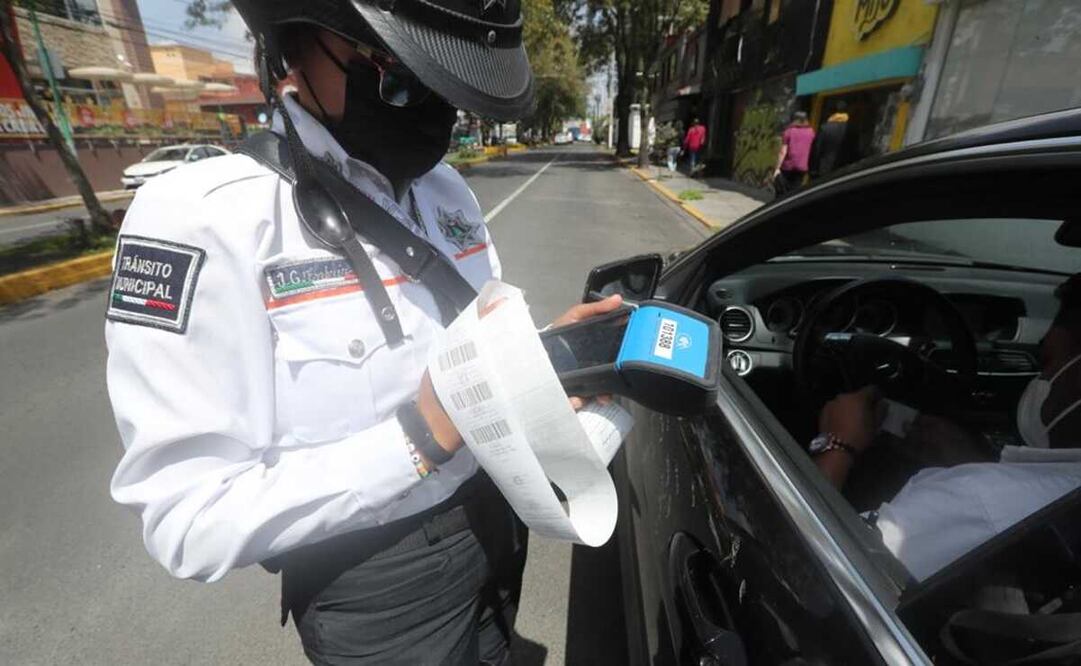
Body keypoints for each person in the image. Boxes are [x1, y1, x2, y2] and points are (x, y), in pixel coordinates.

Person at [104, 2, 623, 664]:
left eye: (448, 89)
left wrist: (538, 355)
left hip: (498, 515)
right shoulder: (203, 220)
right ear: (296, 44)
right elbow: (188, 518)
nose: (430, 109)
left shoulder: (446, 193)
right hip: (381, 590)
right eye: (398, 77)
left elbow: (462, 356)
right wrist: (417, 440)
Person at [814, 274, 1081, 581]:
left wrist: (836, 444)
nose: (1040, 379)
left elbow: (823, 569)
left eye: (1046, 364)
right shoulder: (1038, 492)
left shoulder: (976, 499)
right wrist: (976, 463)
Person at [772, 111, 815, 195]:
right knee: (795, 190)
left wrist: (777, 168)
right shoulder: (811, 132)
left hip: (788, 166)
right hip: (802, 167)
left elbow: (783, 151)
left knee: (782, 190)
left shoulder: (789, 132)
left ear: (794, 120)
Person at [810, 100, 853, 178]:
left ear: (833, 113)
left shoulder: (825, 128)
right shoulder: (851, 128)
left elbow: (817, 149)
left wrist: (814, 168)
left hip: (825, 166)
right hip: (845, 167)